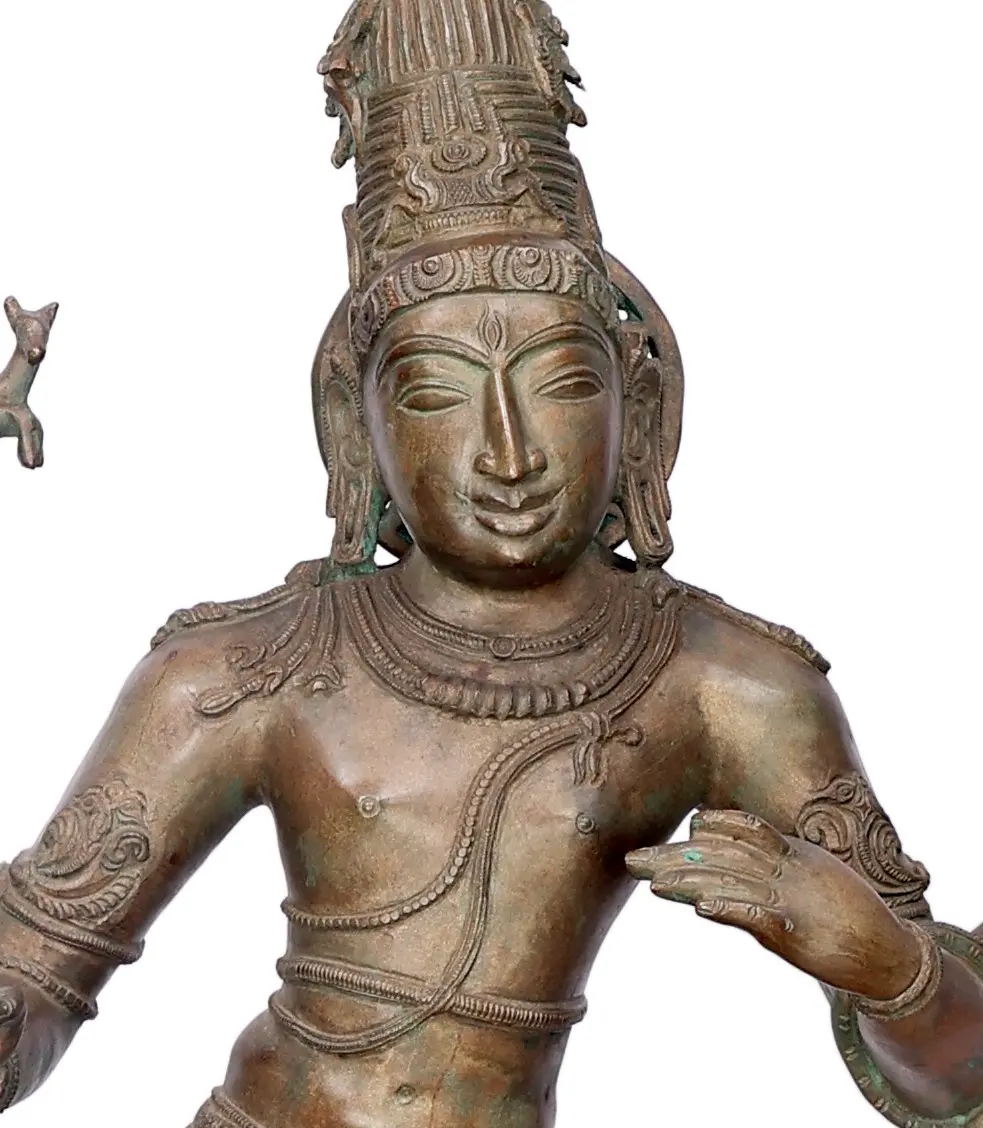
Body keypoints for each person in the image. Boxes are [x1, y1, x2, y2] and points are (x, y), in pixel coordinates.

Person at [1, 2, 982, 1124]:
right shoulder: (242, 671)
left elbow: (961, 1077)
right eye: (434, 394)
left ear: (638, 408)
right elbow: (35, 975)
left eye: (563, 384)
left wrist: (895, 975)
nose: (506, 454)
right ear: (355, 429)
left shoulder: (724, 686)